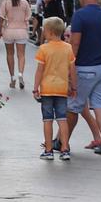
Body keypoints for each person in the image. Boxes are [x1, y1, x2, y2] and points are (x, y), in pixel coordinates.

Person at [66, 0, 101, 155]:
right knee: (100, 105)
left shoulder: (80, 16)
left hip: (85, 67)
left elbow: (75, 42)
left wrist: (69, 67)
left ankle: (62, 141)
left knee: (72, 106)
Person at [34, 17, 76, 160]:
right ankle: (64, 149)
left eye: (44, 30)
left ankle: (48, 150)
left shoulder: (44, 49)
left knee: (47, 120)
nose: (43, 32)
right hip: (62, 89)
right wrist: (74, 87)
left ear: (50, 32)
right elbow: (72, 70)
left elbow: (40, 70)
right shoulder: (68, 48)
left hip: (47, 89)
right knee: (62, 119)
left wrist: (35, 88)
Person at [0, 0, 32, 90]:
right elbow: (28, 17)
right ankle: (20, 74)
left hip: (9, 31)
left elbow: (1, 18)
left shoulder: (6, 4)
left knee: (10, 54)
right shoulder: (24, 3)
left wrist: (0, 30)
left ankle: (12, 77)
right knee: (21, 55)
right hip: (21, 31)